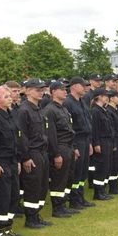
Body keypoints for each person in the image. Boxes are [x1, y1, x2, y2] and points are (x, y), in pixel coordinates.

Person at [17, 78, 52, 228]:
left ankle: (36, 215)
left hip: (42, 152)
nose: (41, 92)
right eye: (38, 89)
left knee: (42, 186)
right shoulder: (23, 110)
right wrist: (25, 158)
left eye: (42, 89)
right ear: (28, 91)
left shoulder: (37, 108)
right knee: (33, 186)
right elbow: (21, 136)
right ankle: (30, 219)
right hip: (32, 153)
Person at [43, 80, 78, 218]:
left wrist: (73, 148)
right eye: (62, 89)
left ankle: (63, 204)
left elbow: (69, 130)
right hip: (60, 147)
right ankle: (57, 208)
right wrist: (56, 154)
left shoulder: (63, 109)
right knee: (59, 179)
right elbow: (51, 136)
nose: (65, 91)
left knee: (68, 177)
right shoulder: (50, 110)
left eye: (65, 89)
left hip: (68, 146)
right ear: (53, 92)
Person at [0, 86, 21, 236]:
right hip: (1, 162)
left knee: (13, 195)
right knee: (1, 197)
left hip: (12, 160)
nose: (10, 98)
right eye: (6, 96)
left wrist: (17, 161)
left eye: (10, 96)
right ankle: (0, 230)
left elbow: (16, 140)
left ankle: (8, 227)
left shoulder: (10, 115)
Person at [64, 77, 95, 210]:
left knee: (83, 171)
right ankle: (73, 200)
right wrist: (74, 146)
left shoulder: (82, 101)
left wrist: (90, 142)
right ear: (75, 86)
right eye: (83, 86)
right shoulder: (68, 103)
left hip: (85, 139)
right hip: (76, 140)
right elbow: (69, 127)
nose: (85, 88)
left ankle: (80, 197)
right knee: (75, 172)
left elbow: (87, 122)